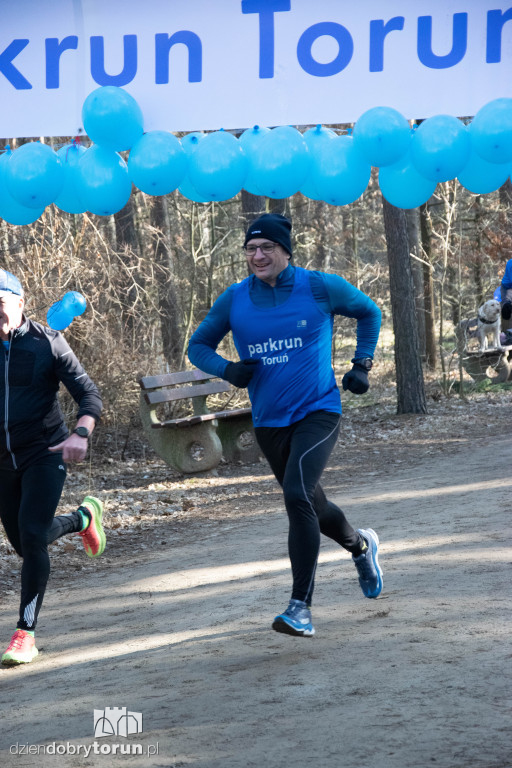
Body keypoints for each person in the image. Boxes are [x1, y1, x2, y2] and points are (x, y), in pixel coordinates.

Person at [188, 213, 382, 637]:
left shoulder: (319, 286)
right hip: (269, 421)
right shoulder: (235, 299)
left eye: (266, 248)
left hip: (318, 411)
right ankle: (361, 545)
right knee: (312, 502)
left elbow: (370, 312)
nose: (257, 256)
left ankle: (300, 608)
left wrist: (361, 364)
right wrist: (228, 369)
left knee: (296, 495)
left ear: (285, 251)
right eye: (251, 249)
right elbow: (197, 345)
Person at [0, 270, 105, 665]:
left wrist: (81, 432)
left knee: (31, 537)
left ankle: (24, 634)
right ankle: (82, 519)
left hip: (45, 451)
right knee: (26, 541)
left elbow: (88, 392)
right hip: (2, 461)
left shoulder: (48, 342)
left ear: (19, 302)